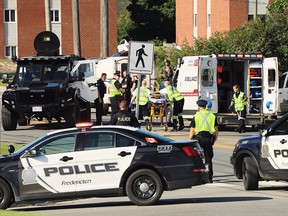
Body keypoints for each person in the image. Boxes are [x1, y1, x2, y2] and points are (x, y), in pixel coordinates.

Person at [189, 99, 218, 183]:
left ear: (199, 107)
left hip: (199, 139)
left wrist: (190, 140)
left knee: (198, 158)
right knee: (208, 159)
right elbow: (216, 129)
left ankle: (200, 177)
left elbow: (192, 130)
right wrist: (214, 139)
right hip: (209, 139)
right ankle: (209, 177)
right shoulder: (212, 115)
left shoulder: (196, 116)